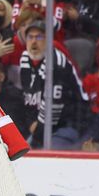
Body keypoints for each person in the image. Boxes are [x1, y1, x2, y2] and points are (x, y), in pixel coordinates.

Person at [19, 21, 89, 149]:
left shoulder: (56, 64)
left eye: (39, 37)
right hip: (42, 126)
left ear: (49, 40)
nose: (34, 42)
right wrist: (31, 123)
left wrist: (36, 137)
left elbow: (53, 111)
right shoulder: (25, 58)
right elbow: (28, 98)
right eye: (30, 37)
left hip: (71, 123)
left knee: (46, 156)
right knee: (20, 154)